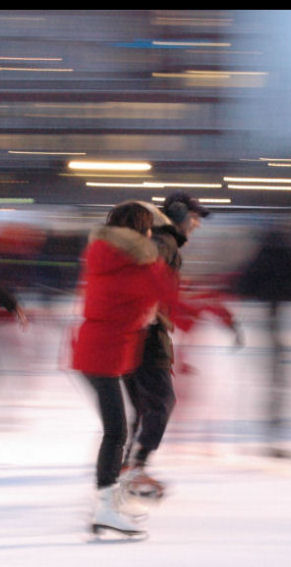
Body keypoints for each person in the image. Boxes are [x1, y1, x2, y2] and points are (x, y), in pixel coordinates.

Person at [118, 192, 240, 499]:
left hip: (126, 332)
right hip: (145, 333)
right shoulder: (164, 243)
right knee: (160, 403)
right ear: (179, 214)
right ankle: (134, 470)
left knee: (144, 407)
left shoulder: (154, 240)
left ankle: (126, 468)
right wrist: (163, 309)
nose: (197, 224)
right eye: (195, 217)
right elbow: (150, 280)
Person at [71, 200, 178, 537]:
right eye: (149, 228)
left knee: (116, 429)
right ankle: (105, 509)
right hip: (101, 353)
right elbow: (173, 300)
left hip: (97, 351)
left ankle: (107, 506)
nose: (152, 234)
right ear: (140, 230)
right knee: (116, 431)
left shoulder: (106, 255)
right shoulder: (133, 264)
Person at [234, 219, 291, 458]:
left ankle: (270, 425)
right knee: (281, 375)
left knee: (270, 375)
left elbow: (241, 286)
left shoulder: (260, 256)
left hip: (264, 322)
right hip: (286, 322)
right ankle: (277, 424)